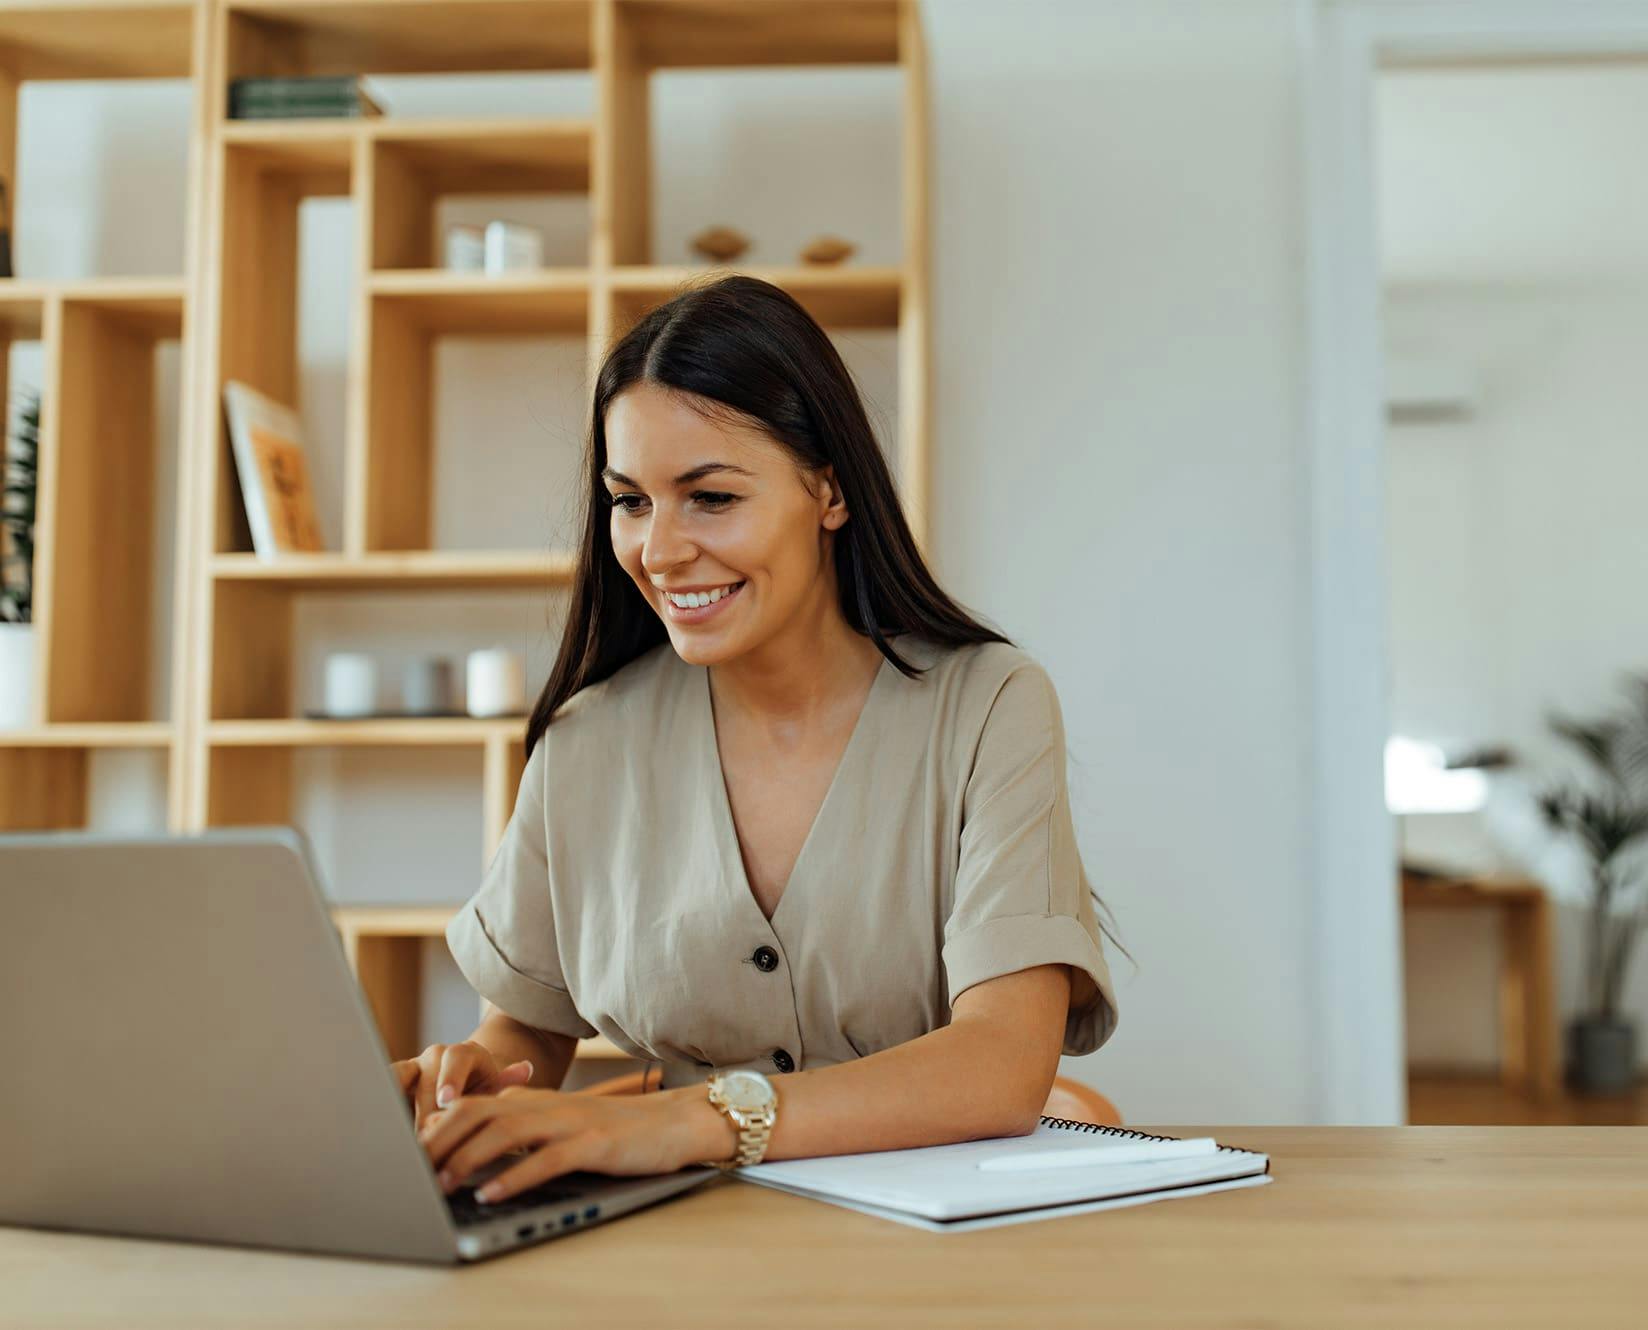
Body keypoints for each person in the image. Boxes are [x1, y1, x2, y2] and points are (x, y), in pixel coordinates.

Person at [396, 275, 1126, 1206]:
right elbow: (525, 1037)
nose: (658, 552)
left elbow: (1001, 1064)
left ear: (826, 488)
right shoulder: (586, 741)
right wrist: (464, 1087)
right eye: (631, 501)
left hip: (931, 1247)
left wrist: (692, 1121)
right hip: (674, 1236)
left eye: (709, 497)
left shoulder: (988, 706)